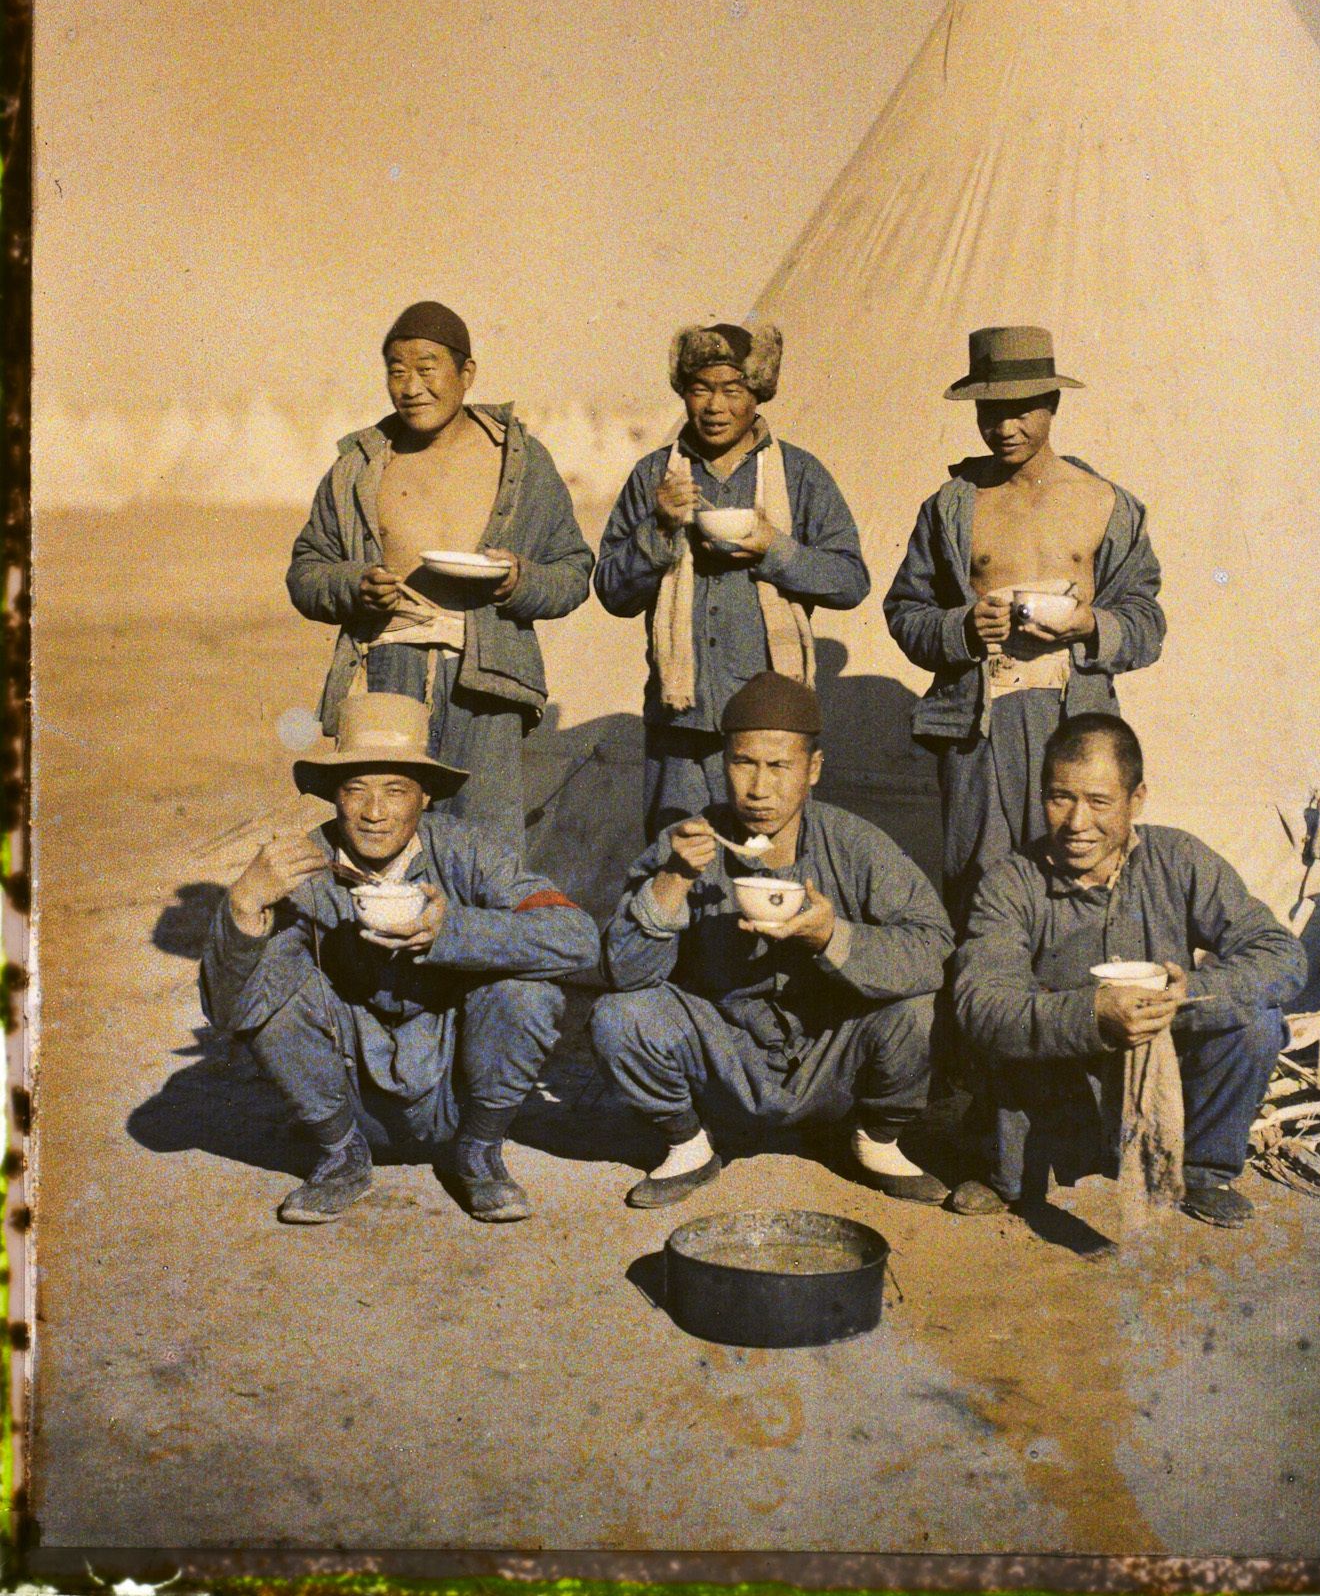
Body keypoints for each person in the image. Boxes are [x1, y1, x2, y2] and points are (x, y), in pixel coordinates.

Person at [200, 692, 601, 1224]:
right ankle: (341, 1159)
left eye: (396, 790)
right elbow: (232, 1012)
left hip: (456, 1097)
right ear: (332, 797)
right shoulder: (300, 866)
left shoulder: (469, 851)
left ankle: (481, 1154)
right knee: (274, 986)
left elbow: (576, 937)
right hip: (346, 1101)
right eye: (354, 789)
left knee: (527, 992)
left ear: (426, 796)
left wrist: (455, 933)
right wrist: (244, 904)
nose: (373, 812)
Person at [590, 671, 954, 1208]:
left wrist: (832, 935)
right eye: (743, 763)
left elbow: (934, 946)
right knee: (618, 1016)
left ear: (814, 769)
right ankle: (688, 1145)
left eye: (780, 766)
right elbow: (622, 973)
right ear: (724, 764)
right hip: (725, 1064)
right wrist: (672, 879)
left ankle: (876, 1140)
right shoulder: (690, 843)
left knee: (919, 1006)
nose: (759, 788)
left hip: (829, 1060)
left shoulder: (854, 844)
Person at [950, 712, 1307, 1227]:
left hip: (1159, 1066)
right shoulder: (1011, 882)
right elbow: (981, 1002)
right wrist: (1088, 1013)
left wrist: (1191, 994)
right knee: (1007, 1041)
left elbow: (1281, 953)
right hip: (1059, 1077)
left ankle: (1202, 1169)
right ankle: (1003, 1170)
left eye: (1099, 802)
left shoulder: (1179, 859)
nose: (1076, 823)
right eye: (1059, 798)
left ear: (1136, 800)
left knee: (1257, 1023)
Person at [884, 325, 1165, 928]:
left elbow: (1147, 621)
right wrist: (962, 627)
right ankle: (985, 1014)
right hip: (979, 725)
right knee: (979, 882)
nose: (1004, 428)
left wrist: (1092, 625)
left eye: (1020, 411)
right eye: (990, 411)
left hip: (1074, 719)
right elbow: (905, 613)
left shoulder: (1105, 503)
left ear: (1053, 405)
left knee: (1079, 869)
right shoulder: (952, 505)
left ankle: (1074, 1012)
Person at [287, 300, 593, 850]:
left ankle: (479, 939)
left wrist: (517, 581)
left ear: (466, 373)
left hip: (486, 681)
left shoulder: (518, 461)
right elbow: (306, 571)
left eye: (427, 368)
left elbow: (573, 571)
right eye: (396, 371)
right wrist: (355, 585)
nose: (411, 386)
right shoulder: (360, 463)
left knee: (487, 847)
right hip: (384, 672)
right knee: (383, 842)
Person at [594, 321, 869, 840]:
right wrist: (657, 530)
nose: (714, 407)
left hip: (768, 732)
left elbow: (850, 580)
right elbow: (610, 591)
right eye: (700, 390)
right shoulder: (654, 475)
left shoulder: (798, 474)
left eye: (731, 390)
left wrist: (776, 549)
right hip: (680, 721)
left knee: (761, 866)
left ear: (757, 393)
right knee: (675, 859)